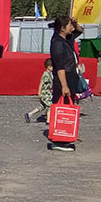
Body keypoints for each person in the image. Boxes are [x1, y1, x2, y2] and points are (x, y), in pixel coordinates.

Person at [47, 16, 82, 152]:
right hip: (63, 79)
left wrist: (74, 23)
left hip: (70, 77)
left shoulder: (66, 39)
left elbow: (79, 31)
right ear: (62, 28)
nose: (71, 28)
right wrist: (64, 85)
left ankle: (65, 137)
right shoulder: (57, 43)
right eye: (69, 25)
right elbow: (60, 66)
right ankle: (59, 140)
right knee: (62, 108)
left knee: (67, 109)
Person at [25, 58, 53, 122]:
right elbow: (41, 83)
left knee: (42, 106)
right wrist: (39, 92)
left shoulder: (50, 74)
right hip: (45, 93)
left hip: (47, 93)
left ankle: (29, 114)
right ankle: (48, 120)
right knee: (50, 105)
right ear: (49, 67)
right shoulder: (45, 74)